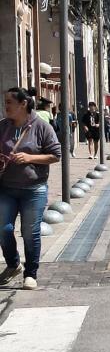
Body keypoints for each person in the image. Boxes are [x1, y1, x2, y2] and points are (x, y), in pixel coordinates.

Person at [0, 87, 61, 290]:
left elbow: (55, 155)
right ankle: (13, 264)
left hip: (33, 189)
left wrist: (30, 158)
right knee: (3, 228)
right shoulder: (3, 127)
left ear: (23, 104)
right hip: (6, 187)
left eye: (9, 102)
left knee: (30, 232)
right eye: (5, 101)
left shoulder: (42, 127)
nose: (6, 106)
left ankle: (30, 273)